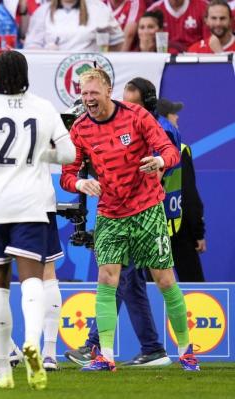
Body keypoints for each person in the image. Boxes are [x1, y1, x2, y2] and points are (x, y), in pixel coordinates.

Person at [60, 68, 199, 372]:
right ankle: (105, 356)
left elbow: (169, 151)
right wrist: (81, 184)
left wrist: (160, 160)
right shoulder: (81, 128)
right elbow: (68, 174)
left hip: (148, 209)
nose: (88, 100)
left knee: (164, 280)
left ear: (108, 91)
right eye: (84, 94)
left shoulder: (135, 115)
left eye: (93, 93)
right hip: (110, 213)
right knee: (106, 281)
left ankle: (186, 351)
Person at [0, 50, 76, 389]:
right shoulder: (43, 107)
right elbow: (69, 154)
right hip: (33, 203)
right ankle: (32, 341)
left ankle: (4, 369)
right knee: (33, 279)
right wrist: (45, 155)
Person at [156, 98, 207, 282]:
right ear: (163, 118)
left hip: (146, 226)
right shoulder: (180, 149)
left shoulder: (141, 147)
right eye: (173, 113)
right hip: (178, 227)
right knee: (194, 286)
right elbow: (188, 195)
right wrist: (198, 233)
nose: (177, 117)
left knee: (148, 287)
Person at [24, 0, 125, 51]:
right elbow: (31, 47)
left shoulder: (98, 8)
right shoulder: (43, 12)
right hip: (52, 76)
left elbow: (118, 42)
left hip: (91, 77)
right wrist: (47, 53)